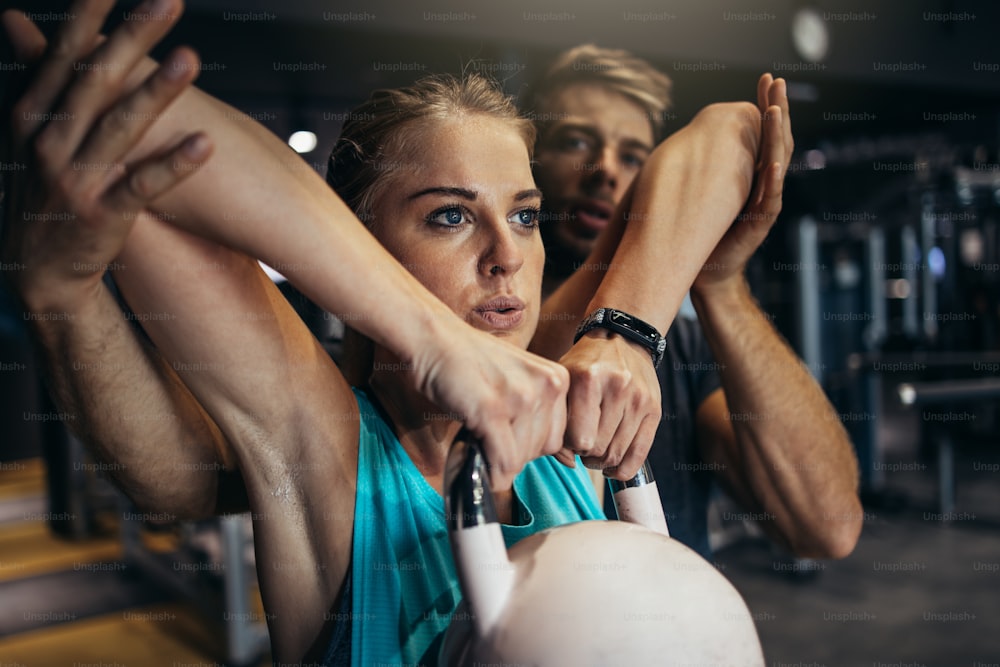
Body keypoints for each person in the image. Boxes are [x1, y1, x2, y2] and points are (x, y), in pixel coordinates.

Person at [1, 2, 780, 665]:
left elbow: (731, 133)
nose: (507, 255)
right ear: (356, 253)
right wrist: (431, 339)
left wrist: (626, 334)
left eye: (525, 214)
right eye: (450, 215)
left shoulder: (563, 404)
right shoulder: (328, 450)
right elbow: (125, 116)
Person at [526, 45, 863, 559]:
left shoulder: (678, 347)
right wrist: (624, 328)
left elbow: (826, 527)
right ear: (528, 158)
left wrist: (721, 282)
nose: (605, 172)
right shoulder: (490, 325)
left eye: (635, 157)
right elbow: (728, 132)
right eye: (575, 141)